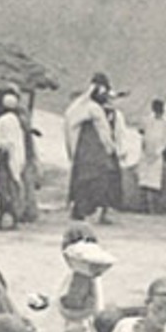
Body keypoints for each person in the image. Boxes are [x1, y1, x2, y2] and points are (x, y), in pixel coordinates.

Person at [63, 73, 122, 223]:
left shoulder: (100, 109)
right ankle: (82, 211)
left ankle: (99, 212)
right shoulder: (88, 108)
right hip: (88, 150)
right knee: (88, 179)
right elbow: (71, 120)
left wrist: (111, 146)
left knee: (102, 179)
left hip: (97, 150)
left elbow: (106, 131)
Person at [0, 91, 29, 229]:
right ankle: (13, 216)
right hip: (16, 159)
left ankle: (6, 217)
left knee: (3, 188)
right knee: (13, 188)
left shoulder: (2, 121)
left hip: (4, 159)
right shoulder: (16, 121)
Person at [138, 98, 166, 214]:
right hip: (146, 151)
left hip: (158, 152)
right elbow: (143, 133)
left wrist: (159, 151)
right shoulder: (148, 119)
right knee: (144, 179)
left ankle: (153, 208)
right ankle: (144, 207)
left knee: (154, 181)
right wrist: (144, 147)